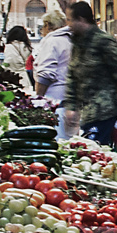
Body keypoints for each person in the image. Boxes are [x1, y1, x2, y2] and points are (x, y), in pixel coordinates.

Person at [63, 0, 117, 146]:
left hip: (104, 111)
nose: (69, 25)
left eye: (70, 20)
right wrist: (71, 107)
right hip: (87, 113)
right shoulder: (78, 44)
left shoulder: (103, 41)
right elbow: (72, 77)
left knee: (98, 152)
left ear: (81, 19)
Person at [32, 10, 74, 138]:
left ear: (48, 25)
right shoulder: (70, 40)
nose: (42, 30)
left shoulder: (52, 41)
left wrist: (38, 100)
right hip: (72, 99)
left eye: (43, 26)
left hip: (56, 101)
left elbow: (46, 74)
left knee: (58, 141)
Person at [2, 27, 33, 91]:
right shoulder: (26, 47)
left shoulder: (9, 46)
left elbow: (9, 62)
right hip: (25, 78)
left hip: (12, 78)